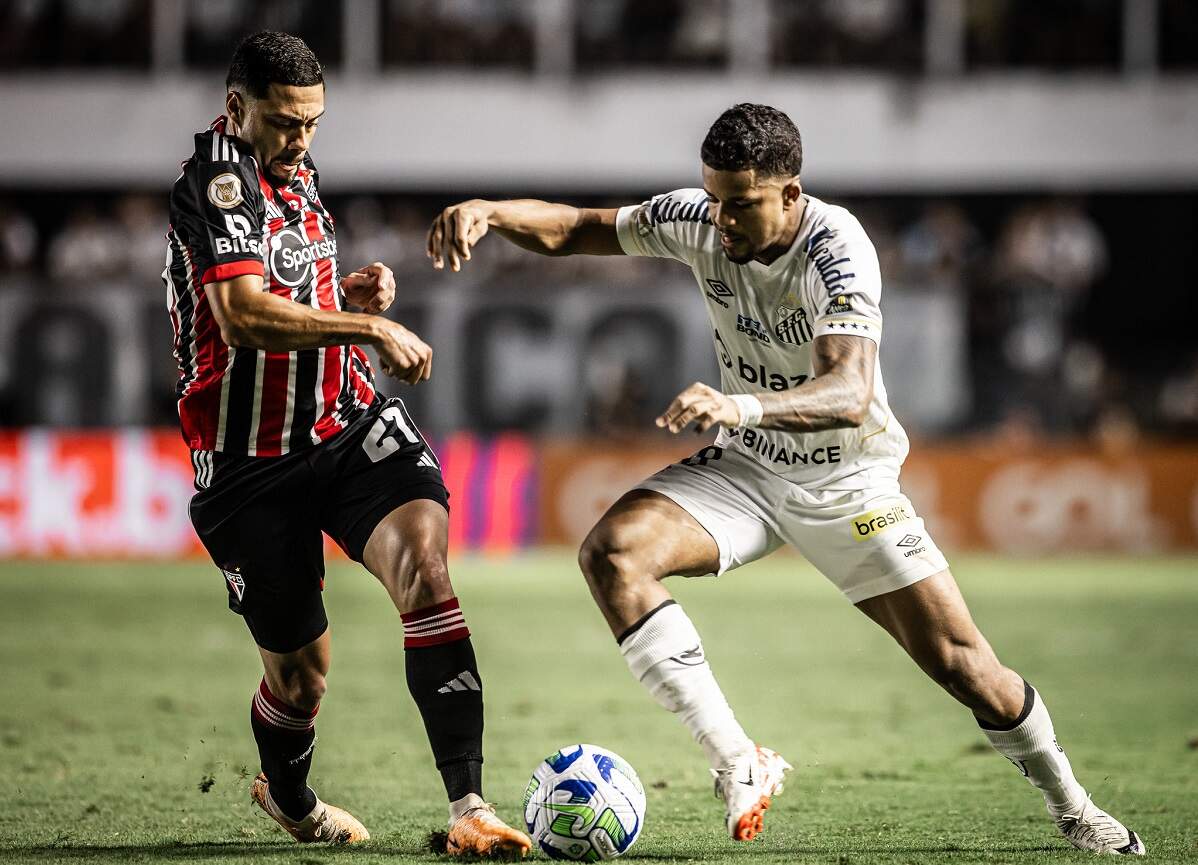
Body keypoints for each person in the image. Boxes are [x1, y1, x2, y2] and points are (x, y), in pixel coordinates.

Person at [426, 103, 1146, 855]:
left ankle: (1074, 806)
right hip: (749, 467)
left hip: (849, 484)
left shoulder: (837, 248)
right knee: (614, 552)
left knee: (968, 668)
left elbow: (849, 391)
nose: (722, 221)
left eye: (741, 204)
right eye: (714, 199)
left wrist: (739, 402)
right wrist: (490, 210)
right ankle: (739, 759)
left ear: (790, 193)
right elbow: (578, 227)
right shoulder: (699, 219)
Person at [163, 31, 530, 857]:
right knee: (302, 674)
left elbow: (287, 281)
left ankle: (470, 804)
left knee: (428, 575)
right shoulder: (218, 182)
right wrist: (367, 323)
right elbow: (244, 316)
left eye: (313, 124)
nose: (301, 139)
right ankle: (287, 793)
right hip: (249, 465)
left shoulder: (294, 171)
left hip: (347, 423)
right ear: (236, 108)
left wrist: (342, 288)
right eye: (285, 122)